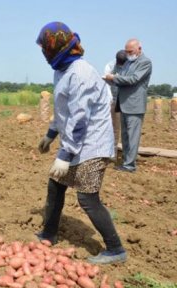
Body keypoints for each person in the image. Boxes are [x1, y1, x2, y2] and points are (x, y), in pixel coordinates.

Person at [35, 21, 127, 264]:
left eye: (47, 50)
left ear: (60, 48)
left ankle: (116, 249)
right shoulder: (61, 71)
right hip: (76, 143)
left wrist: (64, 155)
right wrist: (50, 135)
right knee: (56, 185)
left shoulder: (81, 73)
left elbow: (79, 119)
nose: (45, 54)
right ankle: (48, 234)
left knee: (87, 197)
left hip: (93, 144)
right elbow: (62, 110)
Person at [104, 39, 152, 173]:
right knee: (125, 136)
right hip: (123, 103)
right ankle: (126, 161)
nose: (128, 54)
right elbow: (121, 77)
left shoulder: (145, 62)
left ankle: (130, 165)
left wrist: (113, 78)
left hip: (135, 105)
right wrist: (110, 79)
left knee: (132, 136)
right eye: (126, 51)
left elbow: (133, 79)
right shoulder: (128, 62)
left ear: (139, 49)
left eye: (130, 51)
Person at [104, 50, 127, 159]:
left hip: (127, 100)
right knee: (115, 128)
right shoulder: (110, 66)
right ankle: (112, 154)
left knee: (128, 128)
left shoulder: (131, 66)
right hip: (114, 99)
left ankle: (127, 154)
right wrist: (110, 101)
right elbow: (107, 85)